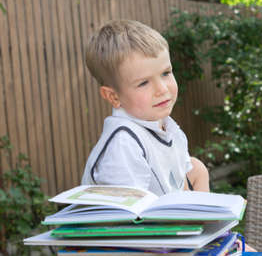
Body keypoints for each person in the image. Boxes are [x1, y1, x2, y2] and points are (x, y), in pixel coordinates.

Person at [81, 19, 209, 195]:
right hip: (127, 221)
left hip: (163, 213)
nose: (162, 89)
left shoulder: (168, 128)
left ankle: (204, 218)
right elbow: (125, 216)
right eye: (143, 83)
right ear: (114, 96)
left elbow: (182, 187)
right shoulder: (123, 143)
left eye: (166, 73)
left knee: (196, 169)